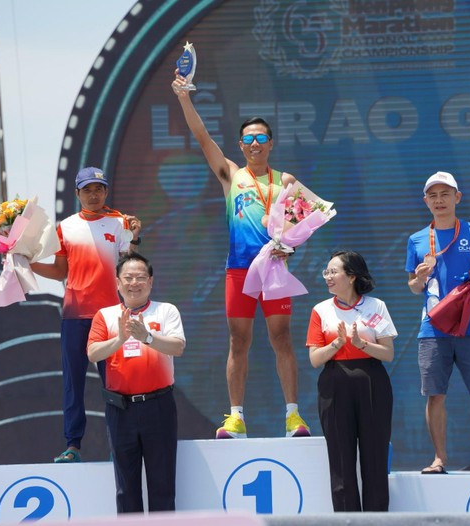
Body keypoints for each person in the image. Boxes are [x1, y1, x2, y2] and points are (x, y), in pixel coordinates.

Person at [171, 72, 310, 439]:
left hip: (275, 270)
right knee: (238, 340)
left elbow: (301, 227)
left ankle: (293, 417)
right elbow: (201, 137)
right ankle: (236, 418)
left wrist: (290, 245)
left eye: (261, 137)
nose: (254, 143)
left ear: (271, 143)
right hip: (239, 271)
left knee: (282, 338)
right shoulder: (230, 175)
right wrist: (184, 98)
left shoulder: (287, 181)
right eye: (248, 138)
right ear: (241, 144)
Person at [30, 166, 141, 463]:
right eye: (87, 190)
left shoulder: (119, 222)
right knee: (73, 383)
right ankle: (72, 446)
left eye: (99, 189)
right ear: (77, 193)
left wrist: (135, 236)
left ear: (106, 191)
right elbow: (59, 272)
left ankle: (121, 444)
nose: (94, 194)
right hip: (74, 315)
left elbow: (129, 264)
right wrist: (24, 263)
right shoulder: (65, 227)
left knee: (116, 384)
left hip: (108, 316)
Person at [405, 171, 470, 475]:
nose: (439, 201)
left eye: (445, 194)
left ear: (457, 197)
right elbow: (413, 286)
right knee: (435, 395)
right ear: (426, 201)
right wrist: (421, 276)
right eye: (433, 196)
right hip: (432, 329)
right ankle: (439, 459)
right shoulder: (416, 239)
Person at [87, 252, 185, 513]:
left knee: (162, 484)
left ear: (150, 281)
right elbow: (93, 353)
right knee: (126, 487)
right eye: (128, 278)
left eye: (140, 277)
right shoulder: (105, 316)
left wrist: (147, 338)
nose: (134, 283)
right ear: (117, 283)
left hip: (158, 405)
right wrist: (119, 339)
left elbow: (177, 347)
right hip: (121, 409)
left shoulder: (165, 311)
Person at [306, 250, 397, 511]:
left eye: (334, 271)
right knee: (341, 459)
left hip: (372, 382)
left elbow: (388, 353)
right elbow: (314, 359)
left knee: (375, 458)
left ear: (352, 276)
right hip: (334, 384)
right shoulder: (320, 310)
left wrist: (360, 344)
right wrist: (337, 343)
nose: (328, 277)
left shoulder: (376, 306)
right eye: (326, 272)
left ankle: (376, 518)